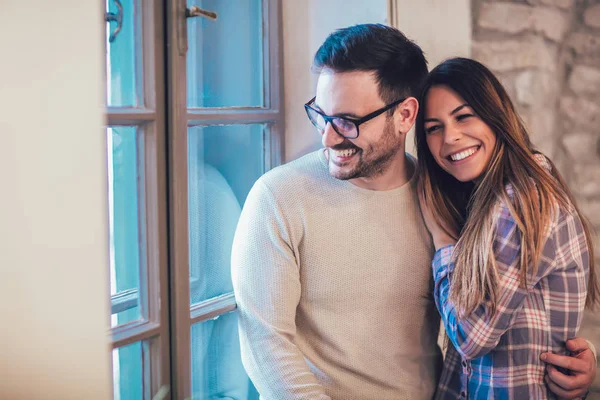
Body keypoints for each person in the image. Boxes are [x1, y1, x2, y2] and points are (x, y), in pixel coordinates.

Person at [231, 24, 596, 399]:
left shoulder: (449, 198)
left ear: (405, 115)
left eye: (348, 121)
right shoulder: (277, 198)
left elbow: (513, 308)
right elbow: (266, 347)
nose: (328, 136)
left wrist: (578, 360)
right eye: (321, 115)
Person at [415, 57, 600, 399]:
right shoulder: (483, 197)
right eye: (433, 127)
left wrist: (443, 242)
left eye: (463, 116)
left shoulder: (521, 198)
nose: (450, 137)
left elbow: (472, 338)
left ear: (495, 115)